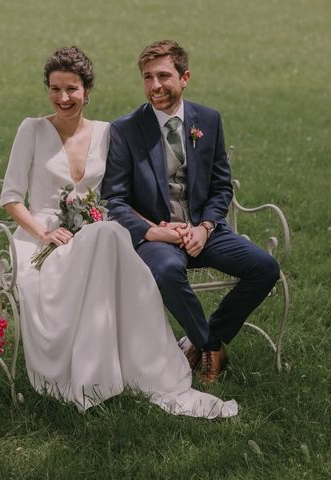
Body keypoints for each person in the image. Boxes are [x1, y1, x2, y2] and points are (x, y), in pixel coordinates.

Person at [0, 46, 237, 418]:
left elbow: (119, 195)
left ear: (87, 90)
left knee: (108, 235)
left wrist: (159, 224)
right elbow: (11, 199)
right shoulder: (31, 130)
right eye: (55, 89)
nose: (63, 98)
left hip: (94, 233)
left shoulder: (107, 133)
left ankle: (137, 365)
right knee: (110, 236)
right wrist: (45, 234)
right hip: (42, 239)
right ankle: (91, 373)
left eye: (72, 89)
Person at [101, 40, 280, 384]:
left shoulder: (208, 120)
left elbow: (221, 186)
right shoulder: (125, 129)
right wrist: (154, 232)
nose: (155, 86)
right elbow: (114, 199)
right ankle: (209, 346)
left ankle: (206, 337)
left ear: (185, 78)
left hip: (204, 232)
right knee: (167, 271)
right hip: (158, 237)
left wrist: (206, 227)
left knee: (265, 268)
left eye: (164, 76)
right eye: (147, 77)